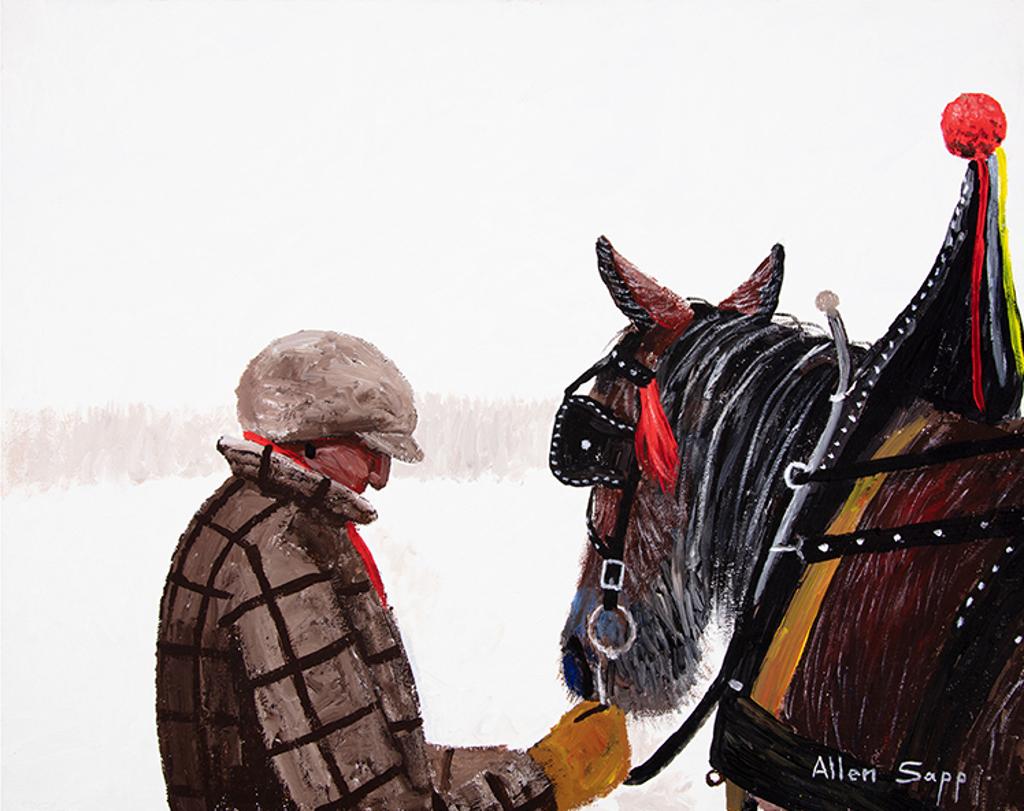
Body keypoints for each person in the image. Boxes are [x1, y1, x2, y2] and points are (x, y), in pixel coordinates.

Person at [156, 330, 629, 811]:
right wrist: (546, 781)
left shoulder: (242, 519)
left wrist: (529, 762)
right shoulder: (279, 556)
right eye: (370, 450)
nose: (380, 477)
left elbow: (373, 764)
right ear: (313, 442)